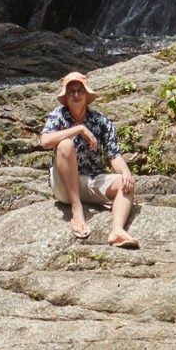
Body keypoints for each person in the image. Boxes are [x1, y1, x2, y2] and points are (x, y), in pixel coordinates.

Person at [37, 71, 138, 247]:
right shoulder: (58, 115)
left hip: (92, 180)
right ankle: (77, 211)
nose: (76, 95)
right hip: (65, 185)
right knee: (65, 145)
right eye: (71, 92)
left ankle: (117, 231)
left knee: (125, 183)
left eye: (80, 91)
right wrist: (79, 129)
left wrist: (126, 172)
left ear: (86, 95)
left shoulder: (101, 121)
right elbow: (45, 141)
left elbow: (113, 155)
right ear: (66, 97)